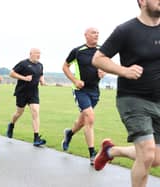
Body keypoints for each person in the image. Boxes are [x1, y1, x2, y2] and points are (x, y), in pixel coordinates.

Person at [92, 0, 160, 186]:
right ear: (142, 1)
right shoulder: (126, 30)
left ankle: (110, 151)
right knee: (146, 154)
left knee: (154, 158)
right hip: (133, 99)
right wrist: (124, 71)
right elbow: (98, 59)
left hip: (158, 100)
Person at [61, 27, 105, 165]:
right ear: (86, 35)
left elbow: (106, 65)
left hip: (95, 91)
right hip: (81, 90)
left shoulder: (102, 50)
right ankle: (92, 154)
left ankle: (69, 134)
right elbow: (65, 66)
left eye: (97, 33)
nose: (96, 35)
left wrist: (103, 71)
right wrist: (75, 80)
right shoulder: (78, 51)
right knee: (90, 118)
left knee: (82, 121)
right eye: (93, 32)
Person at [6, 48, 46, 147]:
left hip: (33, 93)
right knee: (19, 112)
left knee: (35, 112)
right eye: (36, 53)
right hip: (22, 92)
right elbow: (11, 73)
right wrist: (24, 78)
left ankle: (36, 138)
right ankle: (11, 125)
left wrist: (42, 80)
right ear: (31, 54)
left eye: (39, 53)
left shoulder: (40, 65)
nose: (38, 55)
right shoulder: (23, 64)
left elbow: (41, 74)